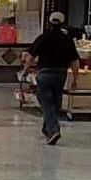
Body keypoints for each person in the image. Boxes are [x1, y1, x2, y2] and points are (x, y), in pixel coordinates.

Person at [26, 11, 79, 145]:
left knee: (47, 103)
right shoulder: (68, 39)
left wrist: (25, 70)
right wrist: (75, 78)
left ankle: (53, 130)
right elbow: (75, 61)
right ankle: (47, 130)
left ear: (49, 23)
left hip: (44, 74)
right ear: (63, 23)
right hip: (61, 74)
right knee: (55, 103)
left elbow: (31, 56)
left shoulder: (43, 37)